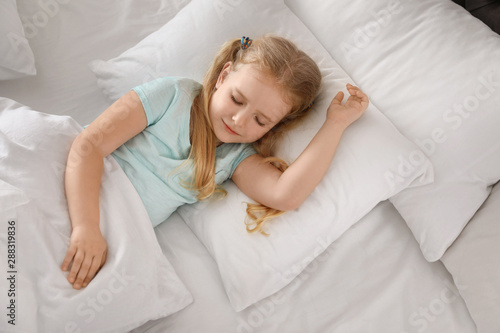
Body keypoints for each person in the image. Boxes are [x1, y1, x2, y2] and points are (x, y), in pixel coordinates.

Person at [60, 35, 369, 290]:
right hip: (75, 189)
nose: (239, 120)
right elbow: (89, 146)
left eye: (260, 120)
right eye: (237, 100)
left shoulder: (235, 157)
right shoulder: (173, 95)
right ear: (223, 76)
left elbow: (285, 194)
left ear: (274, 126)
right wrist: (86, 226)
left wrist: (335, 125)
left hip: (112, 228)